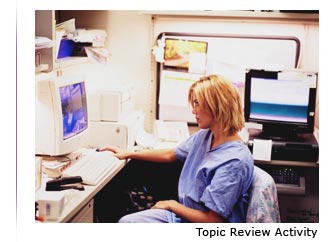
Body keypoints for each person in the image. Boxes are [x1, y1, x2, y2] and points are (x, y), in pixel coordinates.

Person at [100, 74, 254, 223]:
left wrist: (171, 205)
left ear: (216, 105)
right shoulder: (206, 135)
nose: (193, 110)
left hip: (200, 224)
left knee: (127, 224)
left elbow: (212, 221)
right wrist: (129, 153)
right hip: (185, 215)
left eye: (197, 103)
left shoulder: (234, 161)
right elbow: (171, 154)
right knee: (127, 221)